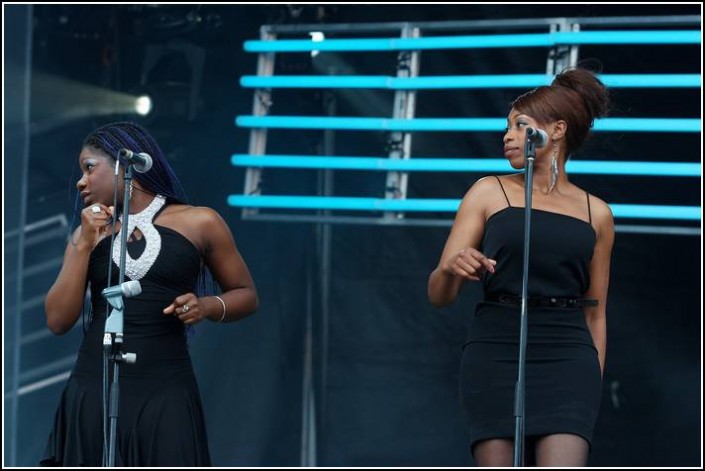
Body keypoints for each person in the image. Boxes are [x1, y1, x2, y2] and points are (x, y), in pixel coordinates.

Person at [41, 121, 259, 466]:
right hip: (93, 383)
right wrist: (83, 243)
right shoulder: (88, 234)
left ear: (123, 166)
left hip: (165, 384)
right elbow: (57, 320)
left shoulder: (199, 221)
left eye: (89, 168)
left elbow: (246, 294)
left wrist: (206, 305)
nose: (80, 181)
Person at [428, 68, 614, 467]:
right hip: (496, 347)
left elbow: (595, 311)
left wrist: (591, 382)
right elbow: (438, 296)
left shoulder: (596, 212)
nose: (507, 135)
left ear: (557, 130)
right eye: (507, 127)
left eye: (519, 125)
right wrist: (450, 269)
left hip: (568, 356)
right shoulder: (487, 191)